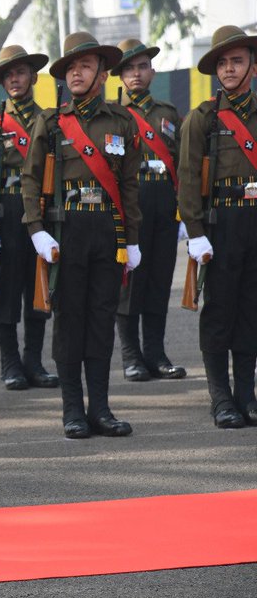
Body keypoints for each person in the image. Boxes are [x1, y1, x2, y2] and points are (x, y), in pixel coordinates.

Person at [22, 32, 141, 439]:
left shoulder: (122, 122)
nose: (76, 72)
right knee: (69, 321)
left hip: (107, 232)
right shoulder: (51, 123)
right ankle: (72, 409)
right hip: (65, 231)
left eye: (85, 65)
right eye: (70, 67)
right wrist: (36, 229)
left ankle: (101, 409)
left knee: (101, 320)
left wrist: (134, 239)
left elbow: (128, 186)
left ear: (103, 73)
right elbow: (30, 180)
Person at [178, 24, 257, 429]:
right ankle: (220, 397)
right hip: (220, 224)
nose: (229, 69)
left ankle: (247, 393)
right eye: (223, 63)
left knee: (251, 312)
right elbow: (188, 179)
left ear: (252, 66)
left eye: (237, 61)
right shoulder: (202, 119)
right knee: (219, 313)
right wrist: (195, 233)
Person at [0, 45, 60, 391]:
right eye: (8, 75)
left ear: (33, 76)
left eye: (20, 73)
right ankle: (10, 363)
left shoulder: (48, 121)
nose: (15, 80)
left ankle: (33, 361)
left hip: (38, 214)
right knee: (6, 291)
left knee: (38, 288)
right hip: (5, 213)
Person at [112, 38, 185, 382]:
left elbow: (184, 166)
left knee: (159, 280)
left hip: (164, 210)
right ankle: (131, 356)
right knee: (130, 285)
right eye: (129, 68)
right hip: (130, 210)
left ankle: (156, 353)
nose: (136, 74)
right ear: (120, 75)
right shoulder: (111, 115)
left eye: (142, 67)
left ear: (152, 72)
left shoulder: (168, 114)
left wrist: (184, 212)